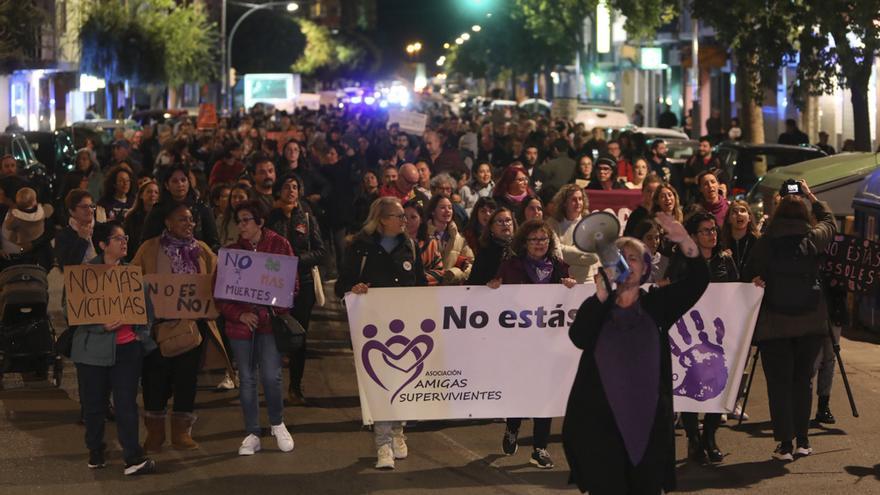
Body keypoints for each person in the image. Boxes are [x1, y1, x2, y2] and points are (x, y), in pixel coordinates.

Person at [563, 212, 709, 495]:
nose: (625, 263)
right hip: (601, 423)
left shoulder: (657, 305)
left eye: (632, 258)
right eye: (619, 257)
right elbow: (578, 337)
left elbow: (699, 280)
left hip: (648, 423)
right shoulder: (599, 306)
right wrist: (601, 296)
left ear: (645, 268)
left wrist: (685, 241)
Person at [742, 179, 836, 461]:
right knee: (803, 381)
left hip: (775, 323)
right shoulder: (813, 237)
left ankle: (785, 444)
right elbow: (830, 221)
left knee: (779, 384)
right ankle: (804, 440)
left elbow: (750, 272)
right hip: (811, 322)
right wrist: (810, 194)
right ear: (805, 212)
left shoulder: (766, 241)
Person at [132, 202, 233, 454]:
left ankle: (181, 433)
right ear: (167, 222)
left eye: (191, 220)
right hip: (158, 331)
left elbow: (219, 280)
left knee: (187, 382)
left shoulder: (202, 251)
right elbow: (133, 280)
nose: (189, 224)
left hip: (192, 331)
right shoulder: (149, 249)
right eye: (182, 220)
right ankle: (155, 434)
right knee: (155, 382)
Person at [335, 197, 426, 470]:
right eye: (399, 216)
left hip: (405, 329)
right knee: (380, 385)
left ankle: (398, 431)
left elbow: (420, 284)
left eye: (406, 217)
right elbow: (342, 285)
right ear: (383, 219)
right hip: (372, 330)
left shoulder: (410, 246)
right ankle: (382, 443)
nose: (405, 221)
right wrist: (355, 289)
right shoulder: (359, 247)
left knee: (404, 382)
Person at [489, 219, 577, 469]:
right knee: (522, 392)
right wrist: (493, 287)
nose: (539, 244)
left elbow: (568, 303)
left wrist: (570, 286)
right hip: (520, 345)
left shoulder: (560, 268)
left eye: (544, 239)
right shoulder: (511, 266)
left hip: (550, 345)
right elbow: (494, 298)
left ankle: (540, 448)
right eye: (534, 239)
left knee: (545, 395)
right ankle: (512, 427)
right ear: (524, 242)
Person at [70, 221, 157, 475]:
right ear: (102, 244)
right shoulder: (84, 273)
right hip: (92, 352)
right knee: (94, 404)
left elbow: (147, 313)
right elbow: (70, 310)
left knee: (126, 403)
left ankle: (133, 457)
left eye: (125, 237)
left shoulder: (132, 274)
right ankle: (95, 450)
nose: (124, 242)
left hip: (127, 349)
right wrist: (101, 324)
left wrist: (139, 333)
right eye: (118, 238)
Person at [216, 200, 296, 456]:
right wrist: (240, 314)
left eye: (246, 220)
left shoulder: (279, 245)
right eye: (238, 221)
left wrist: (272, 307)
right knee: (247, 379)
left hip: (269, 324)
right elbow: (220, 295)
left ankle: (277, 423)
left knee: (272, 376)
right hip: (241, 328)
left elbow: (291, 286)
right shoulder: (231, 253)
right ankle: (252, 432)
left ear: (260, 222)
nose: (241, 226)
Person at [664, 211, 738, 464]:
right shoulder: (681, 261)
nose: (712, 234)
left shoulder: (725, 260)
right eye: (706, 231)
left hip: (719, 334)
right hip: (689, 336)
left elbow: (737, 289)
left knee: (718, 384)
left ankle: (710, 437)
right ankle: (694, 438)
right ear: (694, 236)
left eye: (714, 230)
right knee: (691, 384)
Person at [266, 174, 327, 405]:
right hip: (275, 283)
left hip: (303, 283)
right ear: (279, 191)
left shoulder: (307, 218)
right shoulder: (271, 218)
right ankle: (273, 384)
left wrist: (295, 260)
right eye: (286, 186)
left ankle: (295, 386)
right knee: (273, 335)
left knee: (298, 335)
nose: (291, 190)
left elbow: (321, 252)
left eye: (295, 187)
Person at [143, 164, 220, 251]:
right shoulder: (158, 210)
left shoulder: (201, 207)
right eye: (175, 181)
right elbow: (147, 242)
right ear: (166, 185)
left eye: (183, 180)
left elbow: (213, 241)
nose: (180, 184)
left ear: (189, 183)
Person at [546, 184, 599, 283]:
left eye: (580, 199)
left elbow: (594, 257)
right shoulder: (552, 223)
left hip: (586, 280)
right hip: (561, 280)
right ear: (564, 203)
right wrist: (582, 251)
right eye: (574, 199)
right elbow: (556, 253)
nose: (578, 203)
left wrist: (565, 251)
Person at [425, 194, 474, 284]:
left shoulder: (459, 238)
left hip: (452, 289)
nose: (447, 211)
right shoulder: (424, 235)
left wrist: (454, 273)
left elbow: (471, 265)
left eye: (450, 208)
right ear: (433, 211)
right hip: (428, 288)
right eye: (442, 207)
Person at [467, 207, 515, 285]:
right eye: (500, 221)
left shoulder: (521, 249)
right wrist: (488, 284)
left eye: (508, 220)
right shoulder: (485, 253)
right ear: (491, 227)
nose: (505, 224)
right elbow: (474, 282)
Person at [404, 199, 445, 285]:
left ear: (421, 219)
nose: (407, 221)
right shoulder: (396, 243)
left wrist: (418, 278)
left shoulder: (430, 243)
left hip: (425, 290)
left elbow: (439, 272)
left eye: (413, 217)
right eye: (404, 217)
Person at [720, 200, 760, 275]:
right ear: (728, 219)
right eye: (734, 211)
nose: (739, 214)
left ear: (749, 218)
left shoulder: (758, 242)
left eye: (742, 210)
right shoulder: (720, 242)